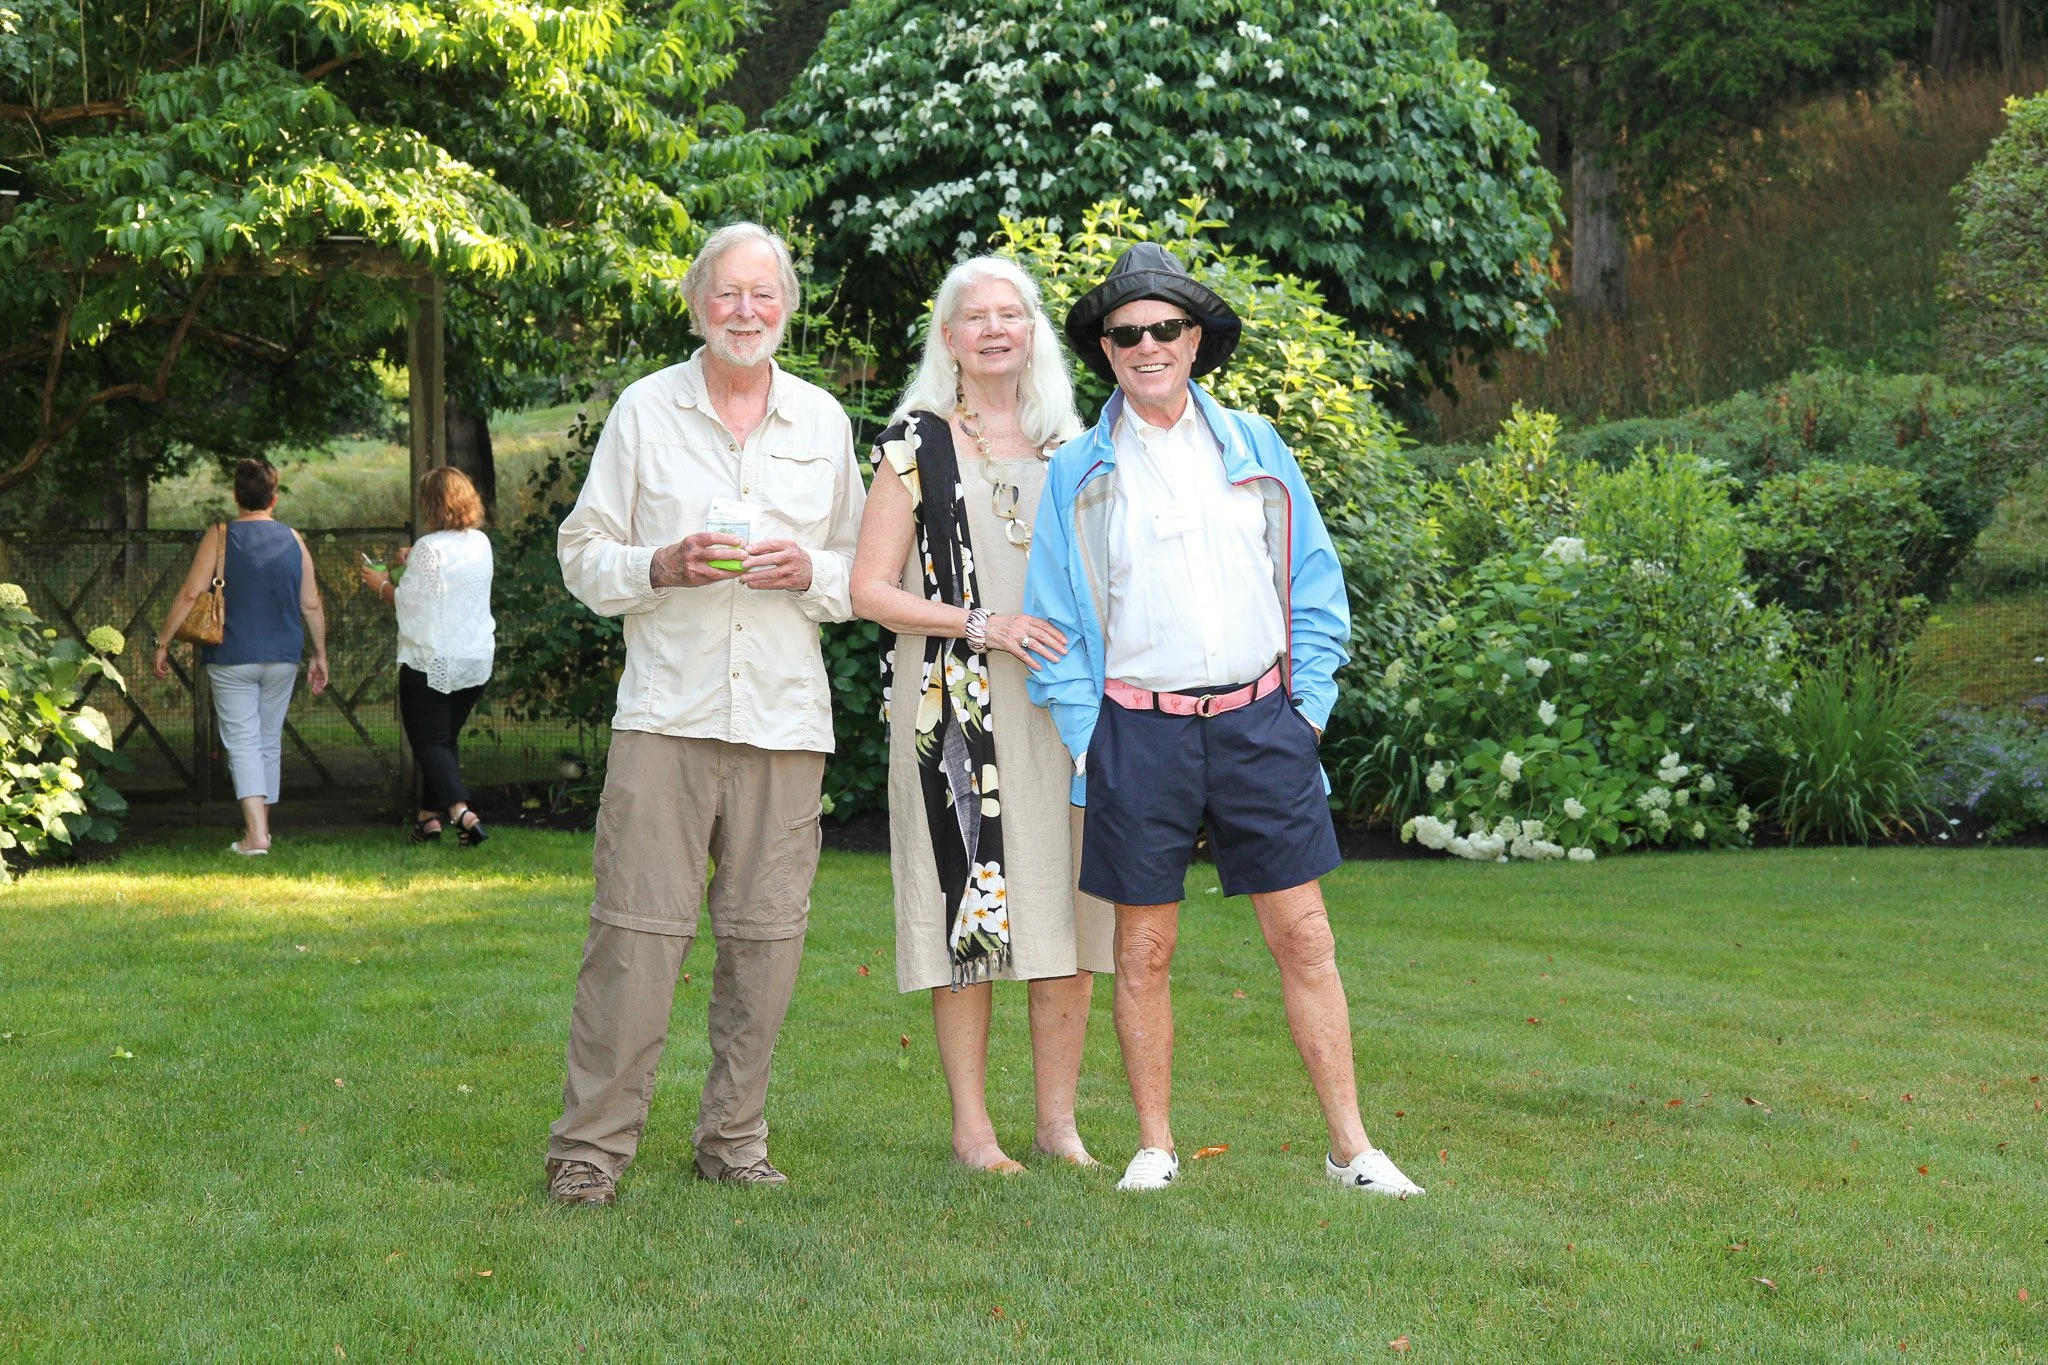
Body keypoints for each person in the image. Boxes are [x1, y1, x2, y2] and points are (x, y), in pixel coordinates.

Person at [1022, 244, 1426, 1198]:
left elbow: (1317, 585)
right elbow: (1056, 625)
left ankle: (1352, 1151)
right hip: (1135, 732)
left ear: (1195, 341)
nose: (1147, 345)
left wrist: (1308, 714)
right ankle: (1155, 1146)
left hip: (1261, 725)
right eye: (1127, 334)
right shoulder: (1079, 469)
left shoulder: (1257, 446)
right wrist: (1090, 737)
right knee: (1142, 948)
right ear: (1108, 351)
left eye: (1166, 328)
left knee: (1307, 938)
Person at [544, 222, 866, 1206]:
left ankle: (732, 1142)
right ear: (697, 305)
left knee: (764, 948)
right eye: (726, 294)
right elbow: (580, 550)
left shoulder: (821, 424)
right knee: (634, 942)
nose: (744, 311)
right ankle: (588, 1159)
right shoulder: (646, 411)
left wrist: (811, 570)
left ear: (785, 308)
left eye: (762, 296)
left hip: (782, 724)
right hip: (665, 719)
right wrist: (658, 565)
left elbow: (866, 573)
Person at [850, 256, 1114, 1173]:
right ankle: (973, 1131)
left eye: (1014, 313)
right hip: (953, 710)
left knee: (1072, 913)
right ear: (950, 339)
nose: (997, 328)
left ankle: (1058, 1124)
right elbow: (867, 590)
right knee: (971, 909)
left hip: (1064, 712)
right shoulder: (911, 445)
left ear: (1032, 333)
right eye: (978, 317)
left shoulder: (1073, 448)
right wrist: (980, 622)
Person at [153, 456, 330, 856]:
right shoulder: (294, 539)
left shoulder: (220, 535)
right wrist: (320, 654)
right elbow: (311, 605)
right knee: (267, 741)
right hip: (284, 656)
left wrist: (163, 641)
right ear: (275, 497)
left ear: (236, 496)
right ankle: (260, 829)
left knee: (243, 742)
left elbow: (190, 594)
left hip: (232, 655)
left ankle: (257, 836)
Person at [357, 466, 496, 846]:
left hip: (432, 661)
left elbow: (411, 602)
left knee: (429, 742)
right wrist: (410, 558)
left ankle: (462, 814)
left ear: (432, 505)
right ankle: (427, 820)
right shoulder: (480, 543)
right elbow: (442, 580)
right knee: (445, 739)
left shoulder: (429, 550)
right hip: (475, 658)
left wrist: (381, 583)